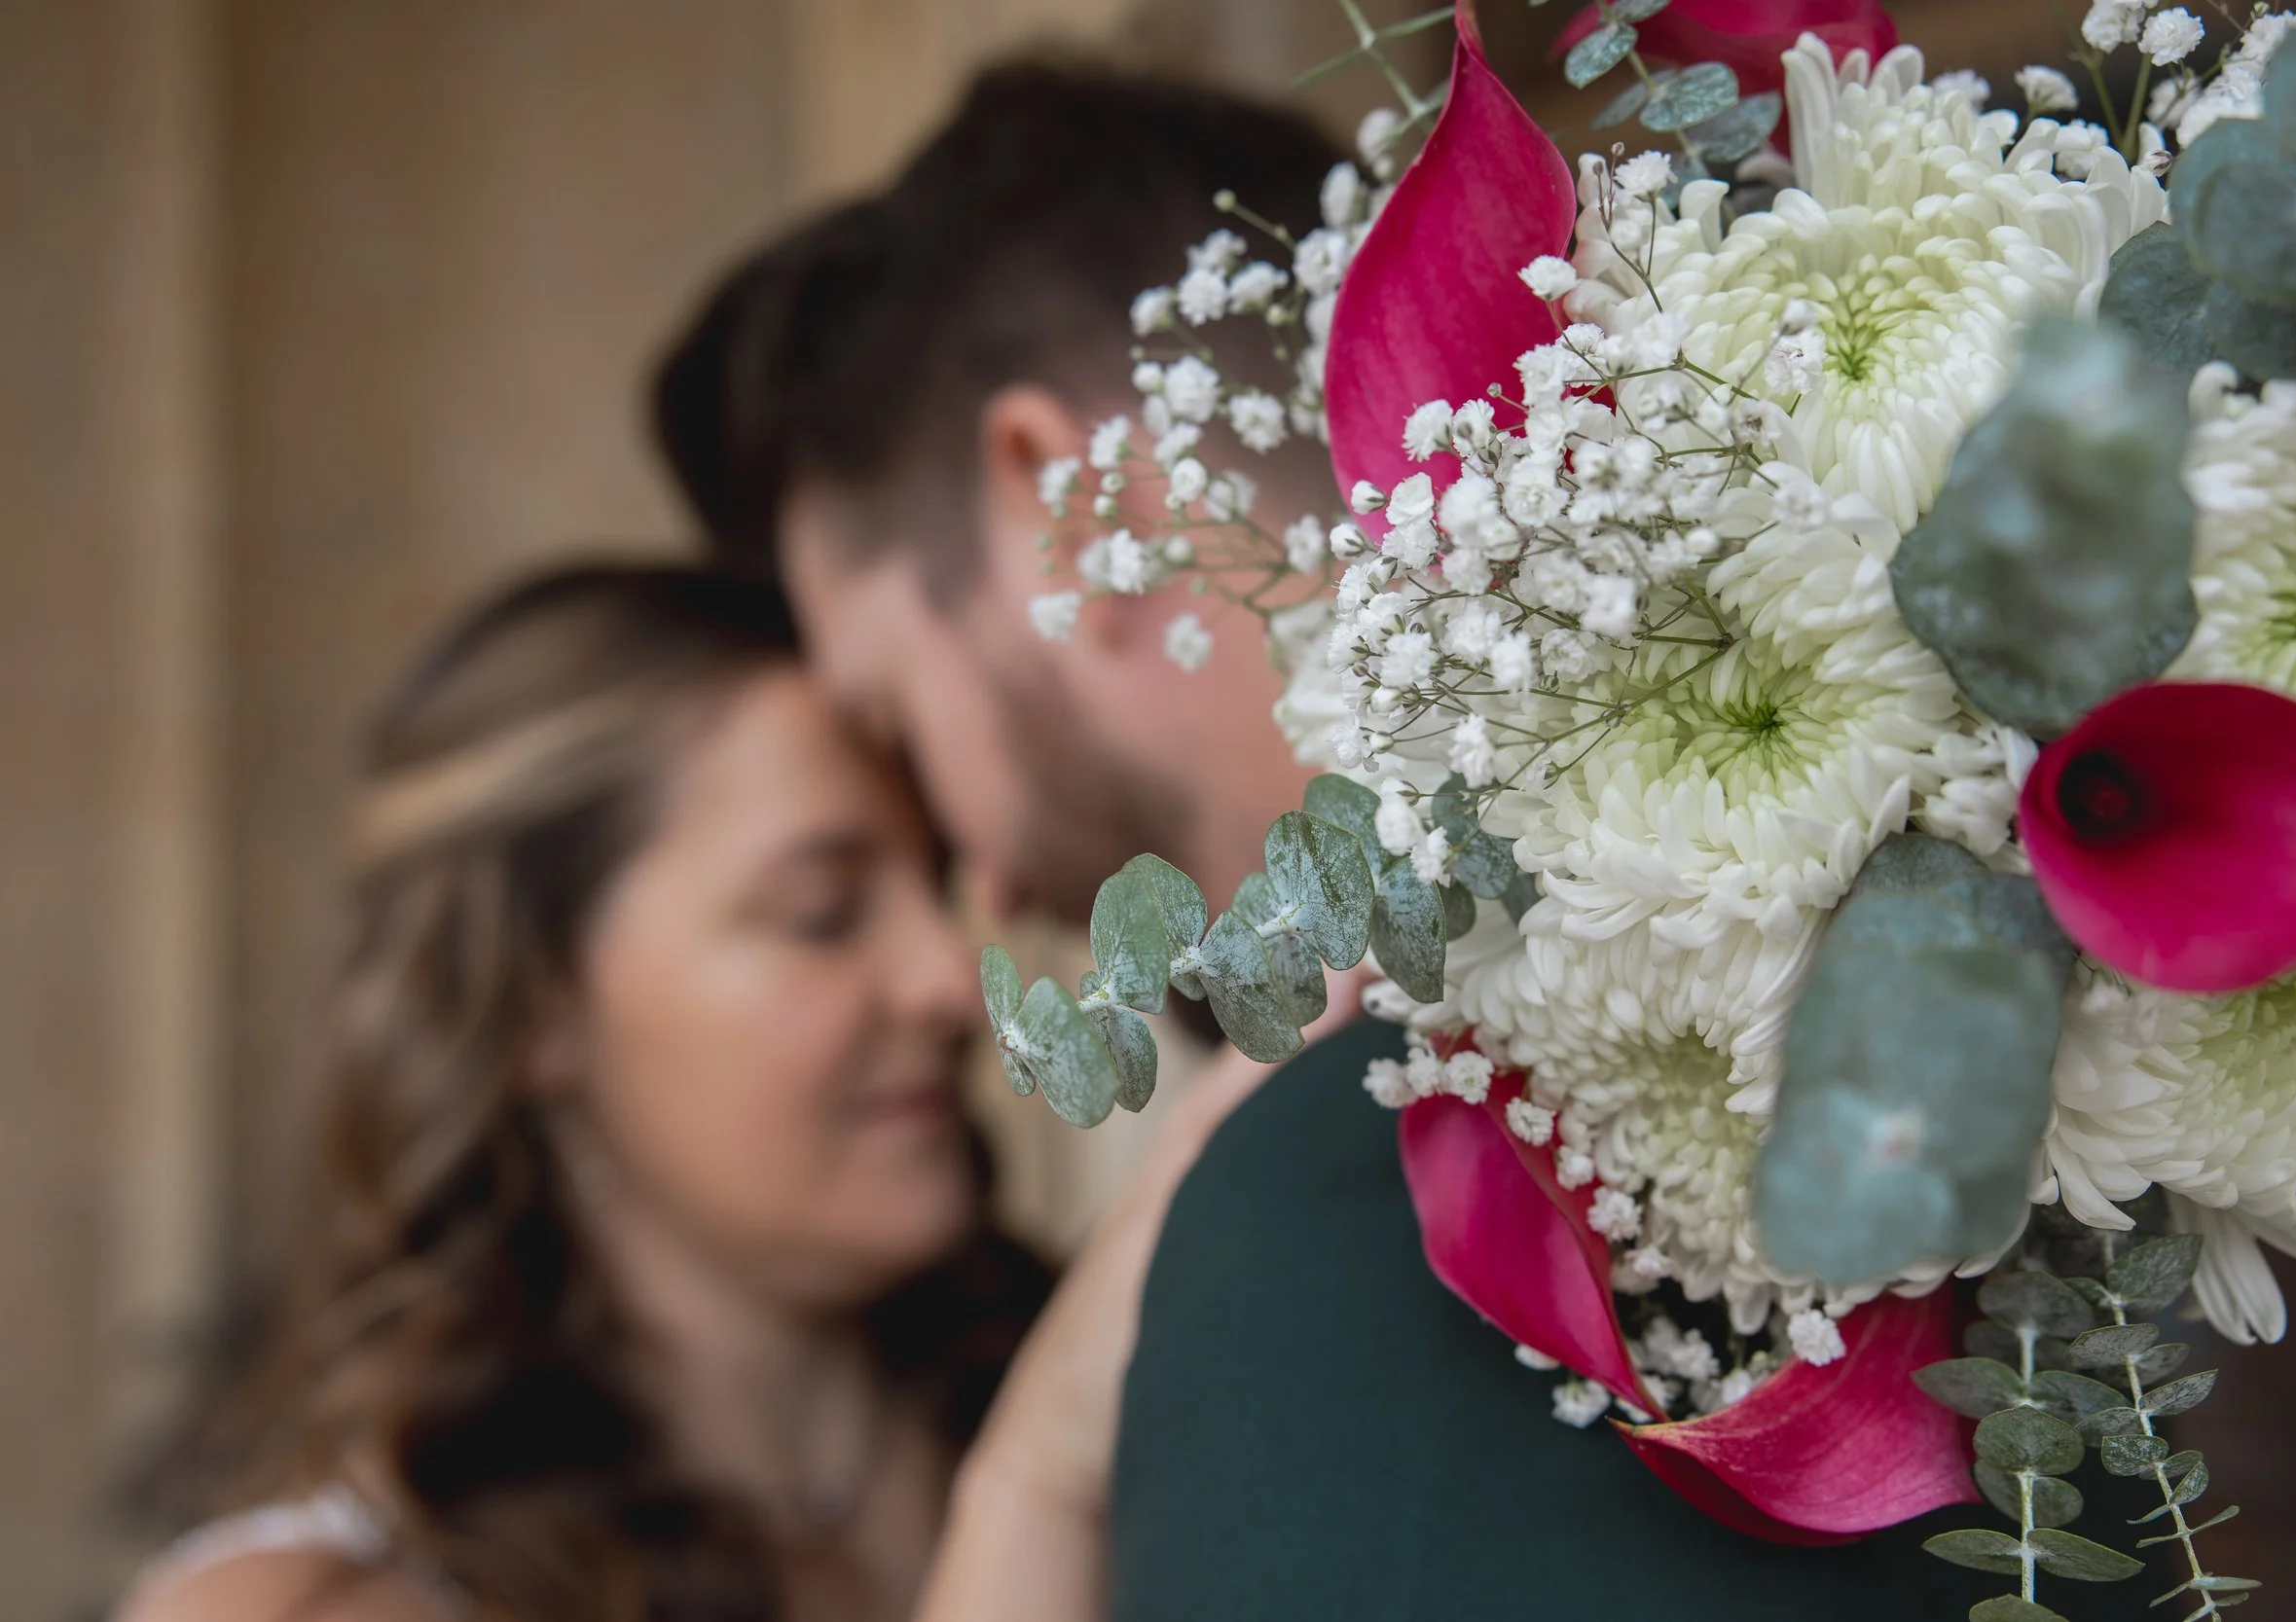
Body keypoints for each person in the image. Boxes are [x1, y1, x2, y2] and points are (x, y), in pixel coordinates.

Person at [654, 57, 2175, 1622]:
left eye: (907, 735)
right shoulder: (1941, 1040)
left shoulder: (1362, 1211)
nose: (980, 890)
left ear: (1070, 501)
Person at [120, 563, 1075, 1622]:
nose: (950, 977)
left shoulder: (1120, 1409)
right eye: (822, 912)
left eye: (939, 887)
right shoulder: (330, 1604)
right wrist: (1032, 1505)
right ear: (538, 1002)